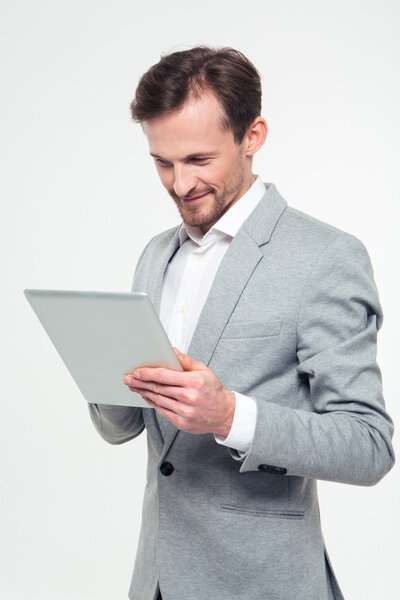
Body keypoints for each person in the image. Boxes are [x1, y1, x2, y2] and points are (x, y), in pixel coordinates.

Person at [88, 46, 395, 600]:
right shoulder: (155, 254)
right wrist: (104, 373)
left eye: (199, 160)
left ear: (252, 136)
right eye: (163, 162)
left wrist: (231, 416)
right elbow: (121, 428)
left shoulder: (325, 257)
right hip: (155, 581)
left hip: (262, 583)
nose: (180, 185)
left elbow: (368, 445)